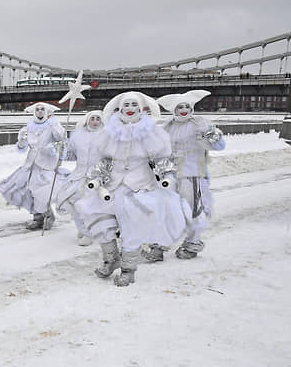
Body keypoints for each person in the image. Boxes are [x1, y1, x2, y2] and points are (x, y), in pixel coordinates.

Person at [74, 91, 190, 286]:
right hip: (113, 185)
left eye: (133, 105)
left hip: (140, 186)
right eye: (126, 105)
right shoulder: (109, 131)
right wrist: (97, 176)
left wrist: (168, 176)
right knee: (99, 219)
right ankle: (111, 260)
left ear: (141, 108)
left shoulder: (152, 131)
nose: (130, 109)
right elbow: (104, 161)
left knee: (132, 228)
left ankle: (128, 270)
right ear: (120, 108)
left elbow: (161, 159)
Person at [141, 90, 226, 261]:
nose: (184, 109)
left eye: (187, 106)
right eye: (180, 107)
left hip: (193, 175)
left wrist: (212, 137)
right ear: (174, 109)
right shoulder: (167, 126)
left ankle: (192, 244)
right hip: (170, 176)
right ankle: (158, 247)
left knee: (194, 211)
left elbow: (219, 146)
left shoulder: (199, 123)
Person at [0, 102, 69, 230]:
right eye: (38, 109)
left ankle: (48, 215)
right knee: (29, 191)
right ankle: (37, 218)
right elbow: (22, 148)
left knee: (43, 192)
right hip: (31, 164)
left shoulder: (52, 124)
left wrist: (55, 128)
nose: (40, 112)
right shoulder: (29, 127)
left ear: (47, 111)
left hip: (47, 165)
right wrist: (21, 141)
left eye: (43, 109)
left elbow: (61, 139)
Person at [55, 110, 105, 245]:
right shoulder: (78, 137)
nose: (95, 121)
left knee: (90, 206)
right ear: (87, 120)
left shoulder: (107, 137)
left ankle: (90, 232)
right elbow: (71, 156)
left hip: (96, 176)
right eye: (92, 118)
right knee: (69, 201)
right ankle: (83, 228)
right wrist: (61, 150)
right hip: (78, 175)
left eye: (98, 119)